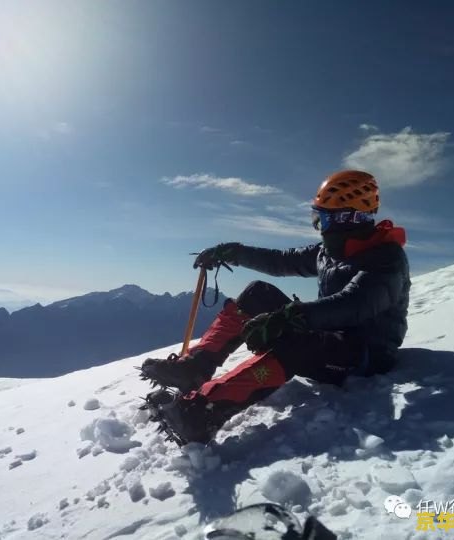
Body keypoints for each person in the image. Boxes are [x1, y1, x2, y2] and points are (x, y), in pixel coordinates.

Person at [140, 170, 410, 445]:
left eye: (323, 218)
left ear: (347, 217)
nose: (319, 226)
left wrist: (289, 318)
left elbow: (355, 303)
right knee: (259, 292)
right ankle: (196, 367)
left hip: (365, 355)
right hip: (329, 332)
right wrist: (233, 251)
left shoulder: (387, 260)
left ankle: (202, 413)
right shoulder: (328, 252)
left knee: (298, 343)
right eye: (318, 218)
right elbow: (281, 261)